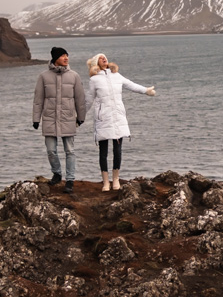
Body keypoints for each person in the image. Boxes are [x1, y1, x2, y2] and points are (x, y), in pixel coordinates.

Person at [84, 52, 156, 190]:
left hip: (118, 118)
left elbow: (131, 85)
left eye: (104, 56)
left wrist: (146, 91)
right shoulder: (94, 80)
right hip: (103, 118)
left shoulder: (116, 75)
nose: (104, 58)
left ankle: (115, 179)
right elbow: (89, 100)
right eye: (100, 58)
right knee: (103, 152)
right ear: (96, 63)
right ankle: (106, 182)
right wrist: (80, 117)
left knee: (117, 150)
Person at [32, 46, 86, 194]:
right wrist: (36, 119)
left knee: (70, 150)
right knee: (51, 151)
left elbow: (80, 99)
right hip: (49, 118)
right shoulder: (43, 76)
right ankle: (56, 173)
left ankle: (70, 180)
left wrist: (81, 117)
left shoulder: (74, 76)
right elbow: (38, 100)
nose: (66, 58)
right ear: (55, 58)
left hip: (68, 117)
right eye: (63, 56)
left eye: (67, 55)